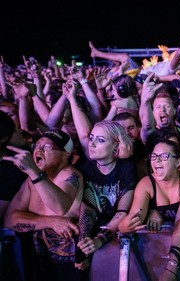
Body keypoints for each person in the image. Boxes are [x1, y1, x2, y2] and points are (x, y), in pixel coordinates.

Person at [63, 79, 138, 269]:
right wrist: (84, 245)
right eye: (92, 139)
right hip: (93, 236)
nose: (92, 144)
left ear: (115, 147)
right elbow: (86, 210)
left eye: (101, 140)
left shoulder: (127, 169)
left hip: (119, 238)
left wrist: (99, 240)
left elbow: (123, 210)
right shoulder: (84, 170)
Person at [3, 129, 84, 281]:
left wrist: (34, 172)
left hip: (64, 262)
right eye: (37, 145)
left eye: (47, 147)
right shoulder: (31, 180)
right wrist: (51, 222)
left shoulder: (70, 174)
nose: (38, 149)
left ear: (65, 154)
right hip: (37, 255)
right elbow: (10, 220)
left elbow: (60, 207)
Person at [118, 139, 180, 280]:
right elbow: (128, 222)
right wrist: (126, 225)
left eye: (163, 157)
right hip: (156, 256)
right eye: (154, 157)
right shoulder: (146, 184)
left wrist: (172, 265)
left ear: (177, 162)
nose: (157, 161)